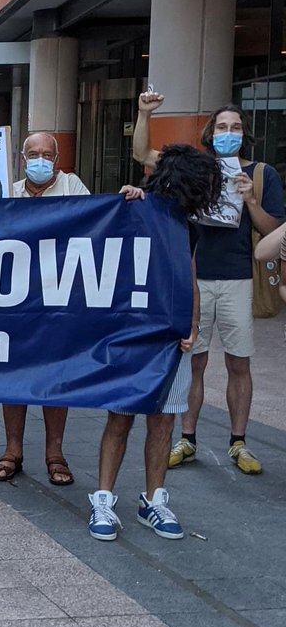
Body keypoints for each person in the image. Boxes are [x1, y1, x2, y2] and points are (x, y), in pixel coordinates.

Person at [133, 94, 284, 475]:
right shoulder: (196, 168)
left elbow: (274, 234)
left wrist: (250, 199)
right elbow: (144, 156)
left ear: (244, 133)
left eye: (235, 127)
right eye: (221, 127)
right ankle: (187, 438)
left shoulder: (263, 174)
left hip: (238, 278)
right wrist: (144, 114)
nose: (228, 133)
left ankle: (238, 442)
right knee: (192, 361)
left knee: (238, 362)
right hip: (193, 277)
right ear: (209, 132)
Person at [89, 146, 221, 541]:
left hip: (169, 333)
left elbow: (190, 276)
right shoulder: (135, 207)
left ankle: (153, 500)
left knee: (163, 418)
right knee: (121, 415)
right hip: (131, 331)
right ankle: (104, 499)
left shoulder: (187, 226)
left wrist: (193, 323)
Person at [0, 132, 90, 487]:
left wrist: (129, 197)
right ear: (22, 158)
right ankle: (12, 449)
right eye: (33, 153)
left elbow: (98, 223)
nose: (40, 159)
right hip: (13, 300)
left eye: (47, 154)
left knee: (55, 376)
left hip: (60, 299)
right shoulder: (8, 191)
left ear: (56, 159)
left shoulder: (73, 187)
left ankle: (55, 454)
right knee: (13, 373)